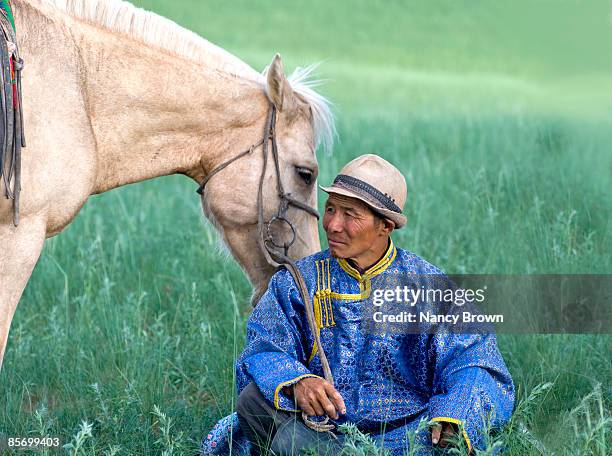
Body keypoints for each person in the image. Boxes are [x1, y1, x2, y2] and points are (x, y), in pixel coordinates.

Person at [201, 154, 514, 455]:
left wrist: (453, 415)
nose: (333, 225)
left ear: (386, 226)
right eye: (331, 209)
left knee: (455, 437)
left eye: (350, 215)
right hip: (319, 428)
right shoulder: (297, 281)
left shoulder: (428, 285)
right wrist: (298, 381)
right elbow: (263, 345)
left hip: (408, 434)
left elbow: (474, 361)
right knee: (254, 401)